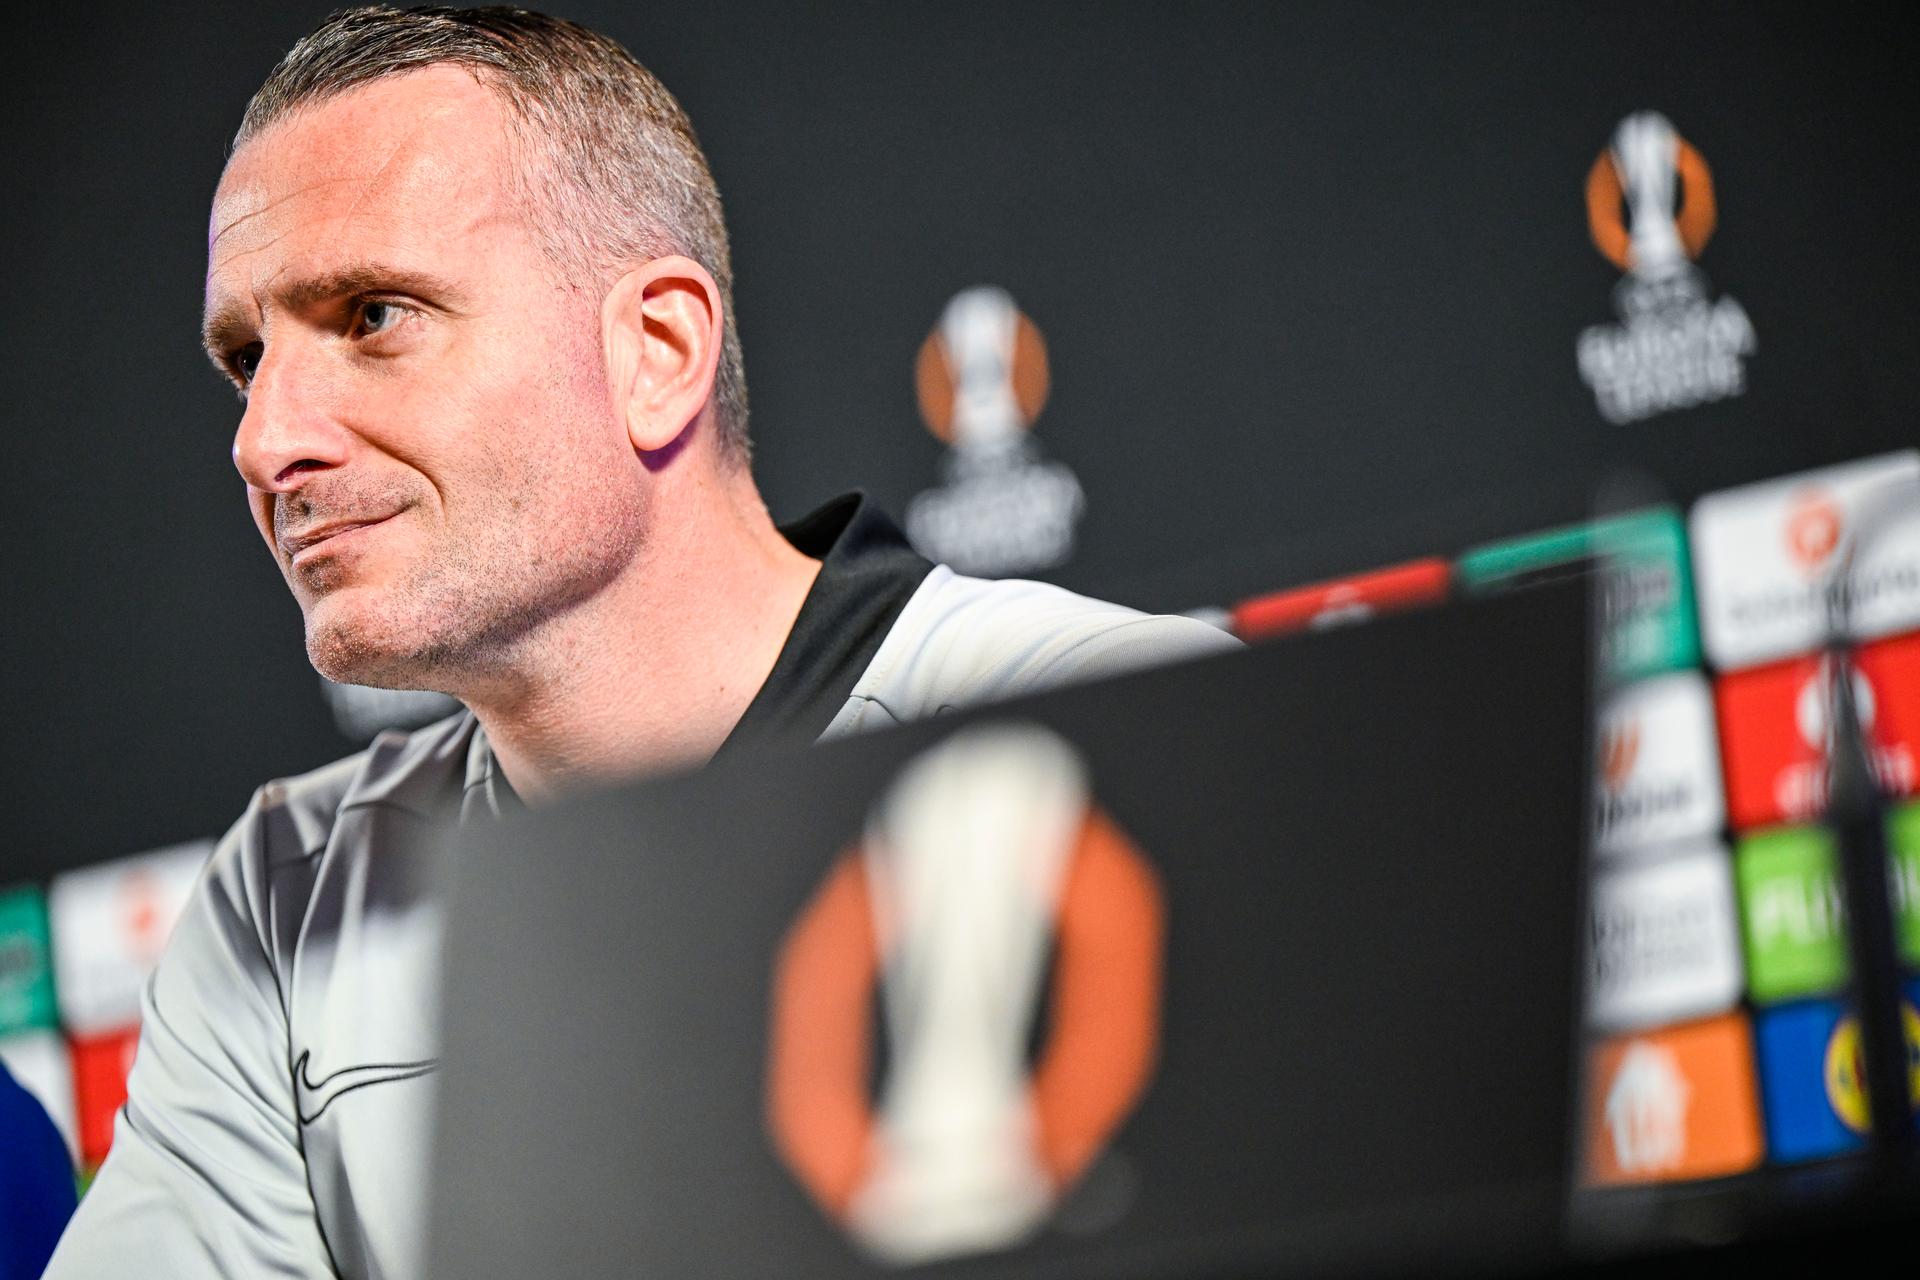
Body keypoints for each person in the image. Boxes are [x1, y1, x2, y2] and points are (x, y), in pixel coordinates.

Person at [44, 8, 1235, 1277]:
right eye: (247, 358)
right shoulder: (284, 902)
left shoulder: (1158, 729)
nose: (264, 439)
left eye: (375, 314)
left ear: (657, 353)